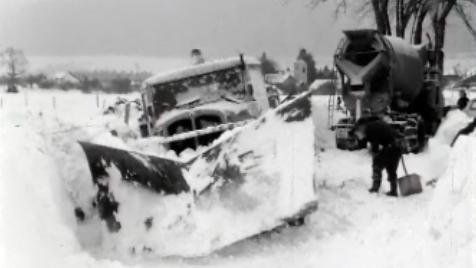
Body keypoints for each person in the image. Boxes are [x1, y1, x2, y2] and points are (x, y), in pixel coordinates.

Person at [352, 118, 404, 197]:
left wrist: (375, 155)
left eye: (358, 133)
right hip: (398, 146)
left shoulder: (370, 129)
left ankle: (375, 188)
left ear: (361, 127)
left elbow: (375, 143)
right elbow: (366, 141)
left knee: (377, 165)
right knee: (391, 168)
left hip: (391, 146)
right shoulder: (373, 126)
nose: (358, 135)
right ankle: (394, 191)